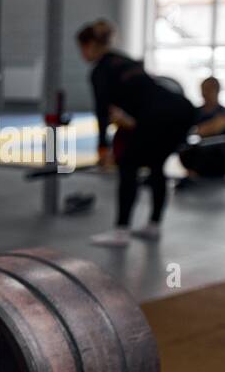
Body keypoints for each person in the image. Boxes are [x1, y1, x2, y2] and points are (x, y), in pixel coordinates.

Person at [77, 19, 195, 247]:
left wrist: (102, 147)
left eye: (82, 48)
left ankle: (121, 231)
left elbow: (102, 112)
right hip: (182, 109)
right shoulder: (126, 60)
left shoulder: (100, 71)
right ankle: (154, 225)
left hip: (158, 116)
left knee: (128, 165)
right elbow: (141, 98)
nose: (82, 54)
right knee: (156, 164)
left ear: (91, 45)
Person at [178, 75, 225, 187]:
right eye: (203, 89)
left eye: (208, 89)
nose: (205, 93)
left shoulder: (222, 113)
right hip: (193, 157)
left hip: (217, 157)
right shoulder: (194, 112)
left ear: (217, 91)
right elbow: (189, 132)